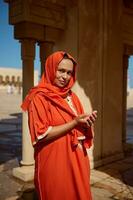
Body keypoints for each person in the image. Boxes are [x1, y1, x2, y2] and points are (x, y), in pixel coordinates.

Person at [21, 51, 97, 200]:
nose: (65, 76)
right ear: (50, 68)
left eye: (69, 72)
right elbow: (40, 134)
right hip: (55, 162)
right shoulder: (39, 98)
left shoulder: (72, 96)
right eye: (61, 70)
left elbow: (79, 127)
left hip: (77, 160)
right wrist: (74, 122)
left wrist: (86, 124)